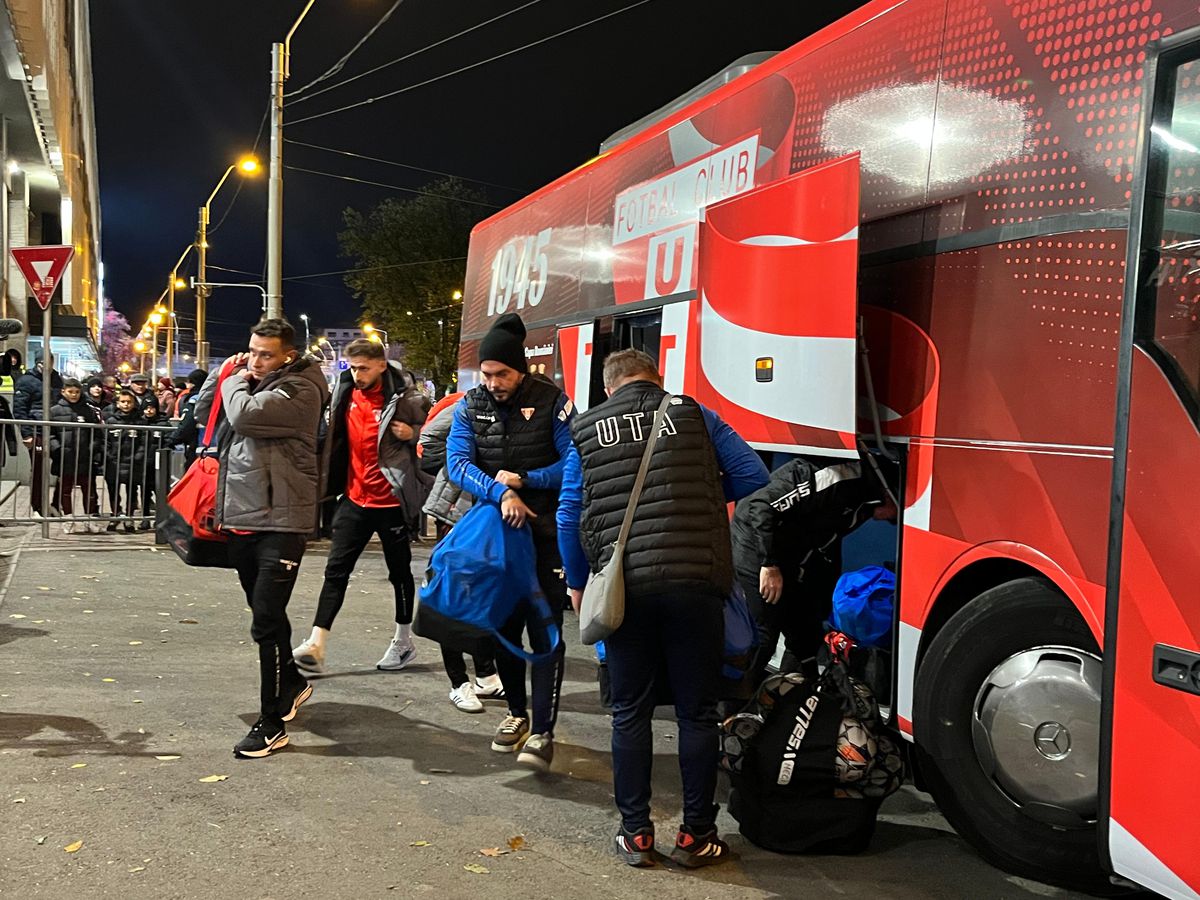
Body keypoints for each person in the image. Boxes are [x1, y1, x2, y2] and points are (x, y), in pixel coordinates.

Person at [557, 348, 769, 868]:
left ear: (609, 388)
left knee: (630, 711)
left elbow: (570, 512)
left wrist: (579, 585)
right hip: (696, 582)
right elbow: (753, 475)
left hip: (624, 588)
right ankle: (697, 836)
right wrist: (700, 490)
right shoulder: (694, 413)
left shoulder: (586, 429)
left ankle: (636, 834)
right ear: (657, 378)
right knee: (698, 713)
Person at [194, 317, 329, 759]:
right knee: (265, 612)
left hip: (282, 522)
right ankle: (291, 684)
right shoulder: (249, 381)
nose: (254, 360)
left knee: (265, 620)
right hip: (242, 516)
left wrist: (234, 379)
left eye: (265, 355)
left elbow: (245, 416)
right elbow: (204, 414)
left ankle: (271, 723)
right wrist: (221, 375)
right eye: (251, 351)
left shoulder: (302, 389)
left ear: (289, 355)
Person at [445, 312, 574, 769]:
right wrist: (501, 493)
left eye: (501, 374)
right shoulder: (471, 404)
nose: (493, 382)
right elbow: (457, 463)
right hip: (497, 538)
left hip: (545, 537)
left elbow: (574, 462)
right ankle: (517, 714)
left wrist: (526, 480)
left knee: (545, 633)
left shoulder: (553, 402)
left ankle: (543, 731)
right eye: (487, 374)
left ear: (520, 369)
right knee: (503, 628)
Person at [291, 340, 432, 674]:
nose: (357, 374)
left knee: (399, 573)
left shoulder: (407, 399)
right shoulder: (344, 393)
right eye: (353, 368)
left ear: (382, 365)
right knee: (335, 571)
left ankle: (403, 641)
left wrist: (412, 433)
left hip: (391, 500)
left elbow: (434, 435)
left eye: (364, 368)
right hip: (355, 499)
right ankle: (316, 643)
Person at [730, 454, 897, 686]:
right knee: (764, 634)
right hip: (755, 545)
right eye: (891, 516)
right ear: (888, 496)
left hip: (788, 556)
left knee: (806, 633)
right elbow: (761, 506)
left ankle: (794, 694)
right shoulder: (835, 478)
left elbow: (824, 542)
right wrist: (769, 565)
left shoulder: (862, 506)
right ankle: (733, 703)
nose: (886, 519)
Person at [419, 390, 504, 713]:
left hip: (489, 513)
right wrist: (462, 463)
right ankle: (458, 682)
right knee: (451, 596)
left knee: (483, 596)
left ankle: (486, 674)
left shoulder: (525, 409)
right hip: (459, 510)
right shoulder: (469, 404)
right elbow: (429, 441)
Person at [13, 353, 64, 515]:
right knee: (38, 470)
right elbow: (20, 409)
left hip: (55, 431)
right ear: (37, 363)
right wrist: (26, 434)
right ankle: (38, 506)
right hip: (37, 431)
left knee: (64, 468)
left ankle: (56, 504)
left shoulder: (57, 379)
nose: (47, 366)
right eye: (44, 363)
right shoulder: (26, 381)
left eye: (50, 362)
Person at [49, 378, 102, 533]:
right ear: (63, 392)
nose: (74, 395)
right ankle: (68, 519)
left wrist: (92, 449)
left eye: (77, 392)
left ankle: (89, 519)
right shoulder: (54, 411)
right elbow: (50, 434)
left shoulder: (88, 411)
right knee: (65, 490)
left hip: (85, 457)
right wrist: (57, 449)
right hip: (65, 457)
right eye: (70, 392)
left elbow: (96, 433)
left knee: (89, 490)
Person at [103, 389, 145, 533]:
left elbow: (144, 441)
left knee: (132, 492)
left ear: (134, 403)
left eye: (129, 402)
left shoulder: (140, 421)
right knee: (113, 491)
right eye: (123, 401)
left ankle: (129, 517)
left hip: (133, 462)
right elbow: (105, 440)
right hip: (114, 462)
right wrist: (108, 455)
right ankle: (115, 515)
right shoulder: (111, 421)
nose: (126, 404)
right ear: (117, 403)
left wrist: (138, 456)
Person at [167, 368, 210, 468]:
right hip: (213, 446)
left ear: (193, 383)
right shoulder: (213, 396)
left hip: (196, 445)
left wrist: (172, 439)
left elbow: (187, 424)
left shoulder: (194, 399)